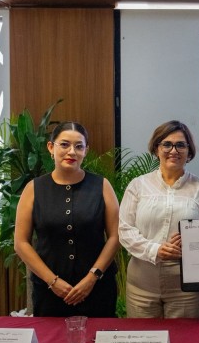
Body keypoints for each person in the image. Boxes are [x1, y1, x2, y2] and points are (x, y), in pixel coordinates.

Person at [14, 122, 120, 317]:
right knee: (51, 336)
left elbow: (115, 236)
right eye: (64, 144)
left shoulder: (102, 186)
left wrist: (92, 278)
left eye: (79, 146)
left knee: (98, 335)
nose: (72, 152)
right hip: (49, 291)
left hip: (97, 288)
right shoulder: (34, 188)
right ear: (50, 147)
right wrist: (52, 281)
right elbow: (21, 243)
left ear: (86, 150)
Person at [119, 121, 199, 318]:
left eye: (181, 145)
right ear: (157, 149)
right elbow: (125, 229)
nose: (174, 150)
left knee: (185, 337)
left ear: (189, 151)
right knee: (144, 338)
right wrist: (155, 249)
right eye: (167, 144)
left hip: (187, 287)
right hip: (142, 284)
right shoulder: (138, 186)